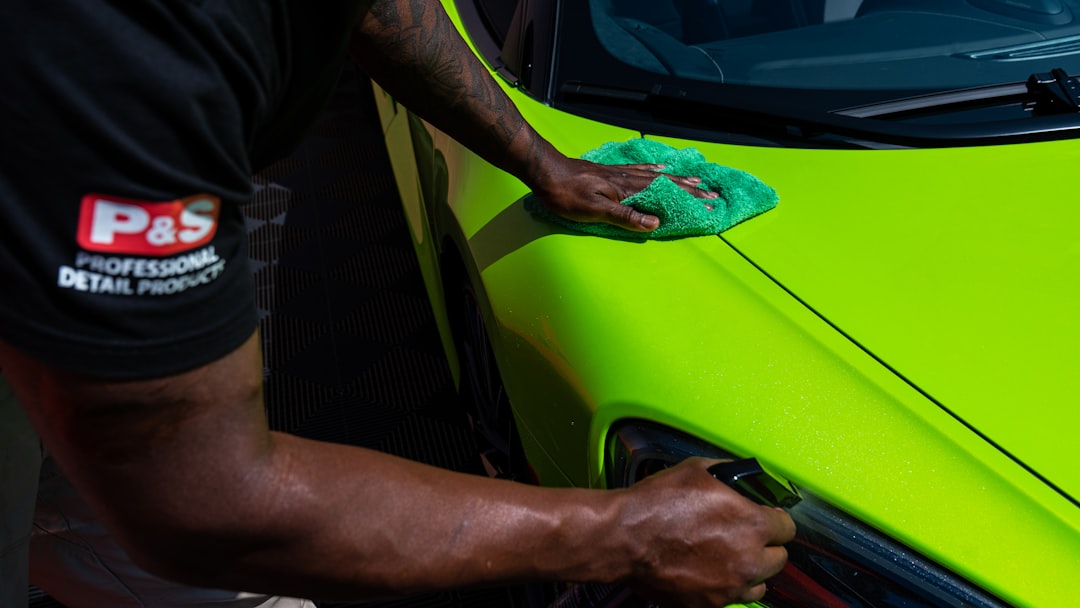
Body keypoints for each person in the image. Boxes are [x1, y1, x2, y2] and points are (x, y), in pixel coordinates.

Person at [0, 1, 796, 607]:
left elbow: (382, 8)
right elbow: (201, 496)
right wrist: (624, 534)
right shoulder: (130, 47)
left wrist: (538, 159)